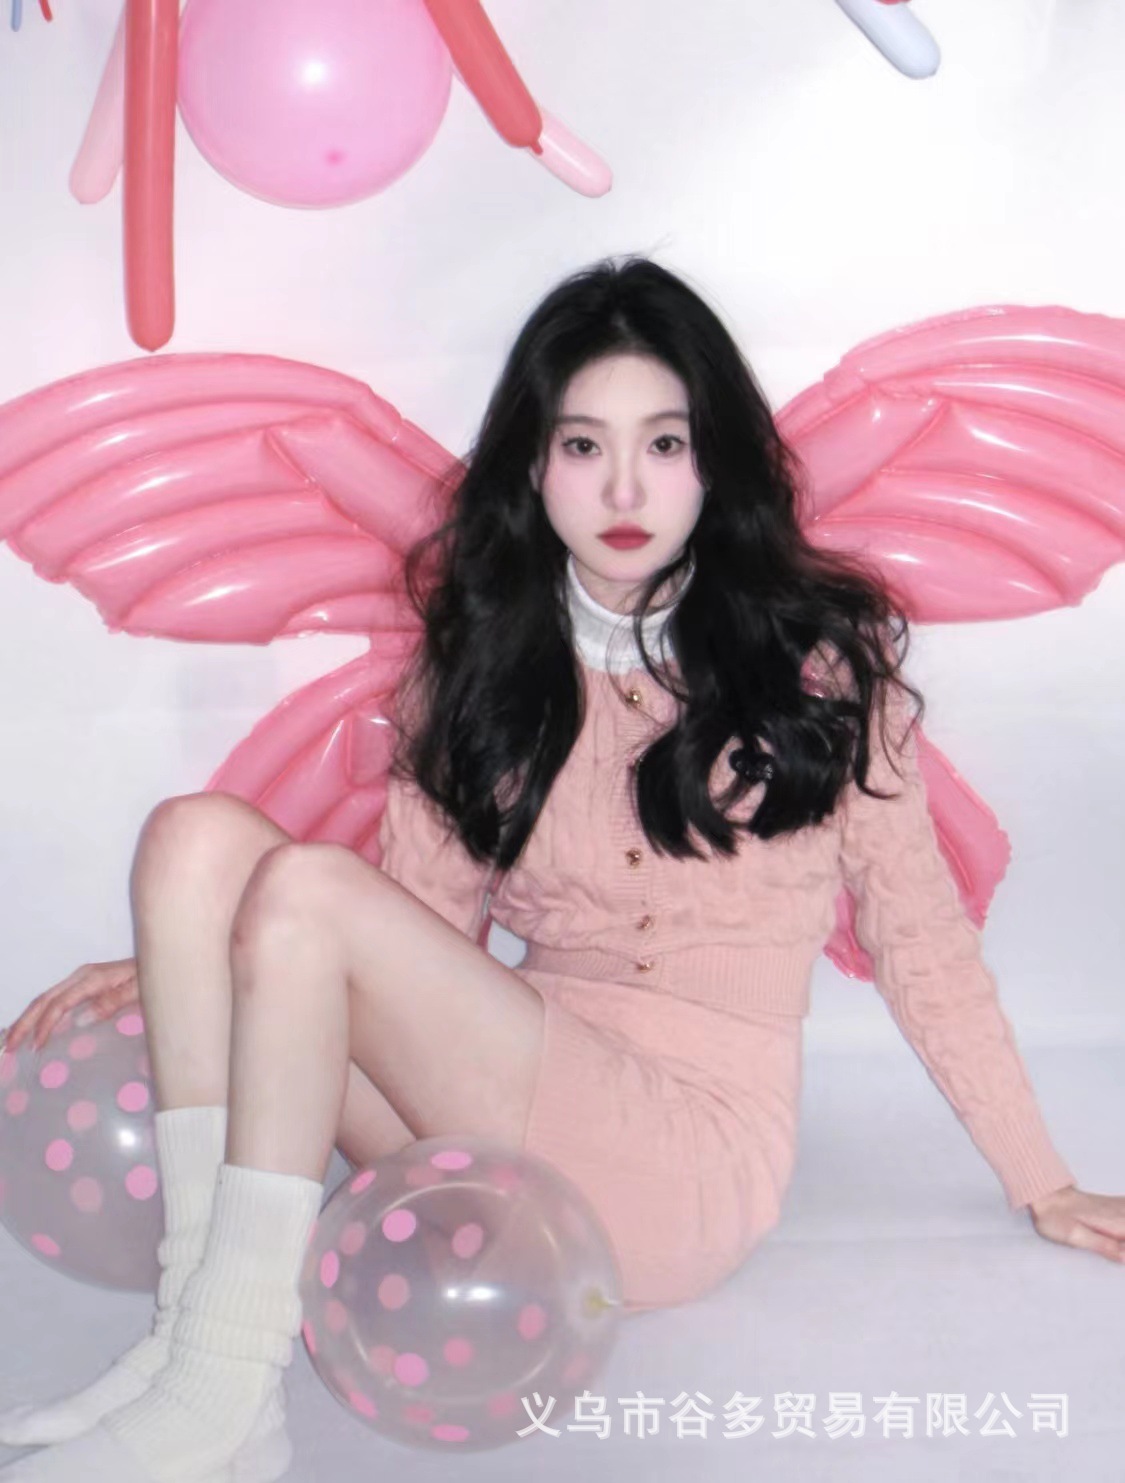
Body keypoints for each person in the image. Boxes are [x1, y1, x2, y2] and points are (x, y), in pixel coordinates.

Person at [0, 256, 1121, 1481]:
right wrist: (202, 962)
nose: (624, 488)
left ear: (714, 462)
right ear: (534, 469)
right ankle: (190, 1344)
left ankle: (225, 1383)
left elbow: (924, 943)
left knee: (302, 888)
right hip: (505, 1106)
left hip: (679, 1163)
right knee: (194, 839)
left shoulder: (816, 666)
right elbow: (414, 934)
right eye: (584, 446)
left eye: (664, 444)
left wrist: (1044, 1180)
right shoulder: (484, 663)